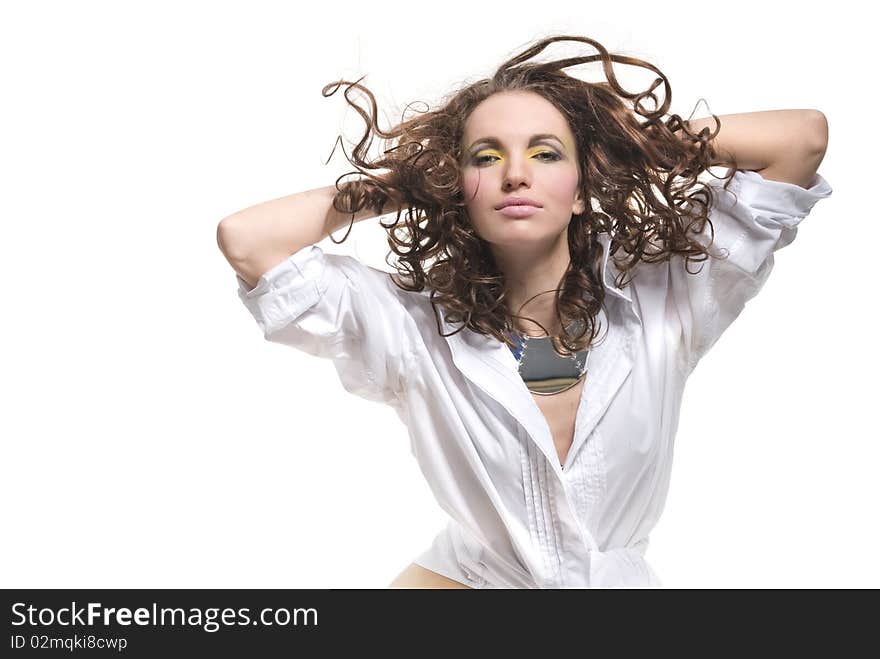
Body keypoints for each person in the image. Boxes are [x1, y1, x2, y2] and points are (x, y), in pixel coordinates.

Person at [217, 35, 832, 588]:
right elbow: (248, 240)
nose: (514, 174)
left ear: (584, 185)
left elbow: (801, 139)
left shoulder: (666, 303)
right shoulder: (408, 331)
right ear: (457, 187)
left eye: (545, 154)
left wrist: (626, 143)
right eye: (485, 157)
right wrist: (410, 182)